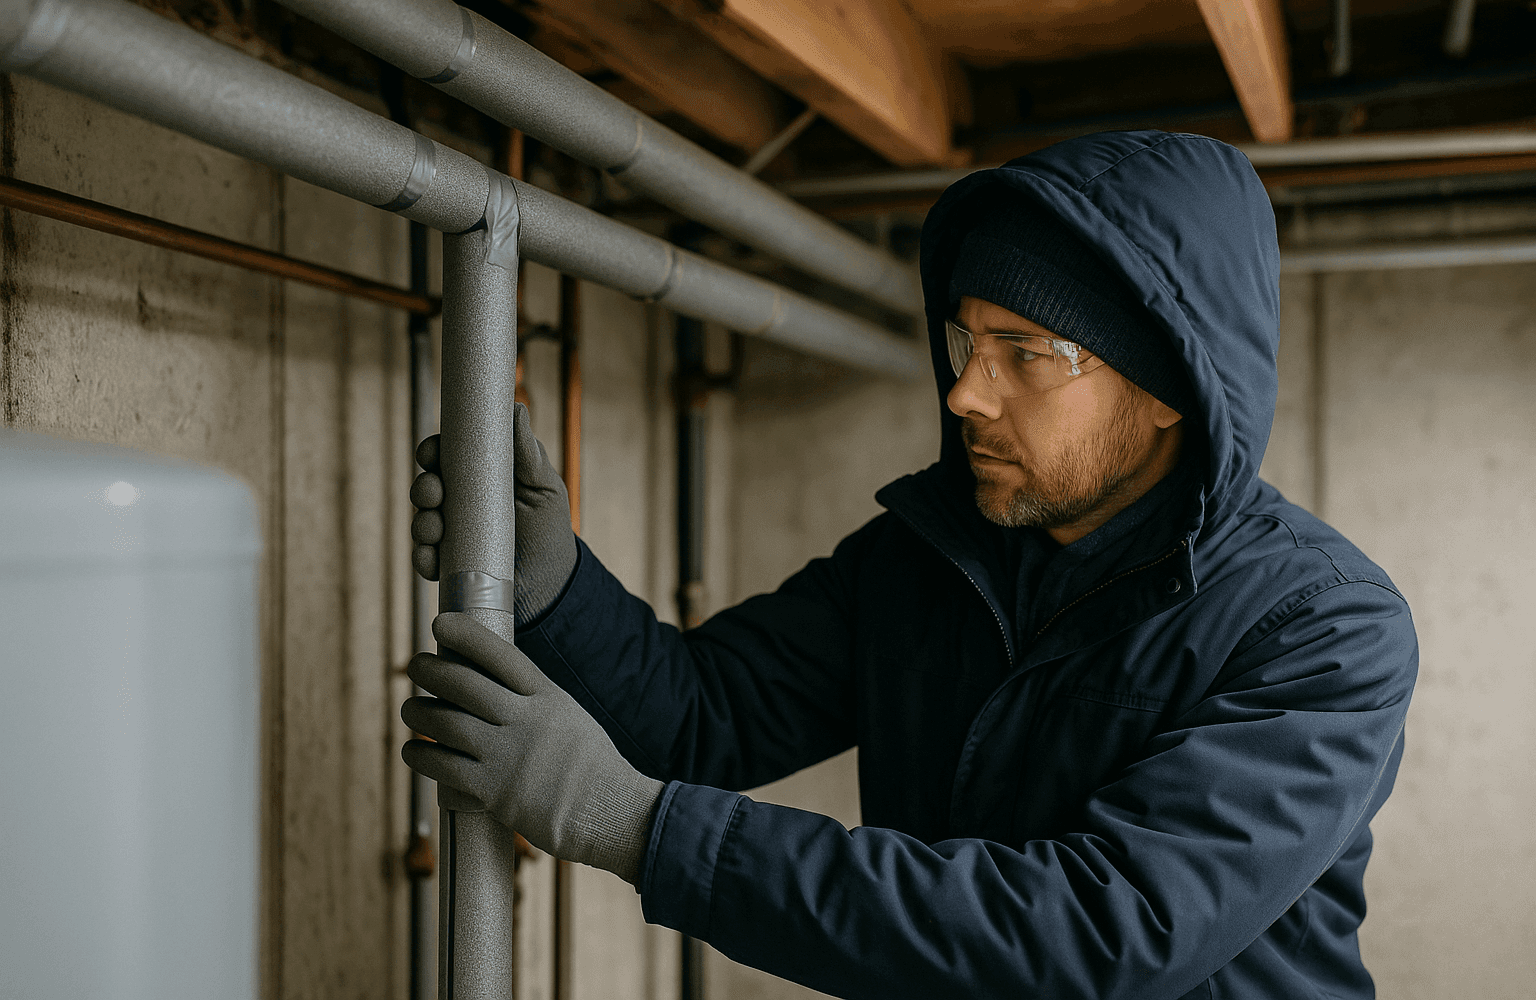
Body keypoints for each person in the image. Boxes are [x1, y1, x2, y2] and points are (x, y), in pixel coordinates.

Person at [402, 130, 1417, 1000]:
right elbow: (704, 713)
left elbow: (1102, 932)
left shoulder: (1320, 629)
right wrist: (552, 584)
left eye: (1024, 352)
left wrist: (635, 825)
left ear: (1168, 389)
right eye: (964, 340)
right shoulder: (924, 559)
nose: (967, 392)